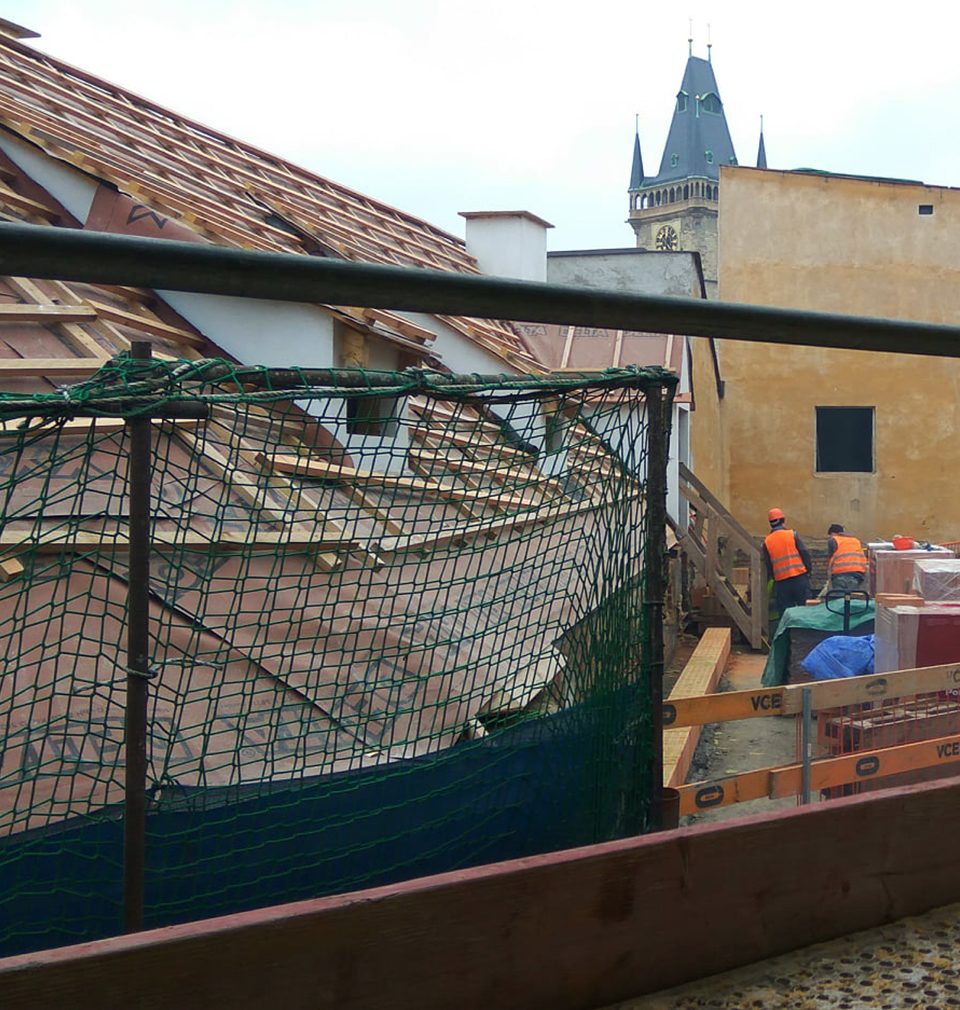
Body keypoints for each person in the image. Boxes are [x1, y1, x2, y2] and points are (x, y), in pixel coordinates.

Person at [762, 507, 813, 616]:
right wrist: (808, 570)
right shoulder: (792, 534)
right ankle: (804, 632)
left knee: (786, 614)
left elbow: (768, 564)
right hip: (799, 577)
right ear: (783, 520)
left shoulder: (767, 541)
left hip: (781, 582)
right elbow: (804, 553)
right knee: (805, 609)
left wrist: (774, 577)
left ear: (770, 523)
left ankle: (788, 633)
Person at [824, 522, 867, 594]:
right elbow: (863, 552)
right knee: (853, 599)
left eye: (830, 535)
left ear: (833, 533)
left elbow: (831, 557)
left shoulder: (833, 540)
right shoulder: (856, 540)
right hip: (857, 574)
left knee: (839, 600)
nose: (829, 537)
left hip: (840, 574)